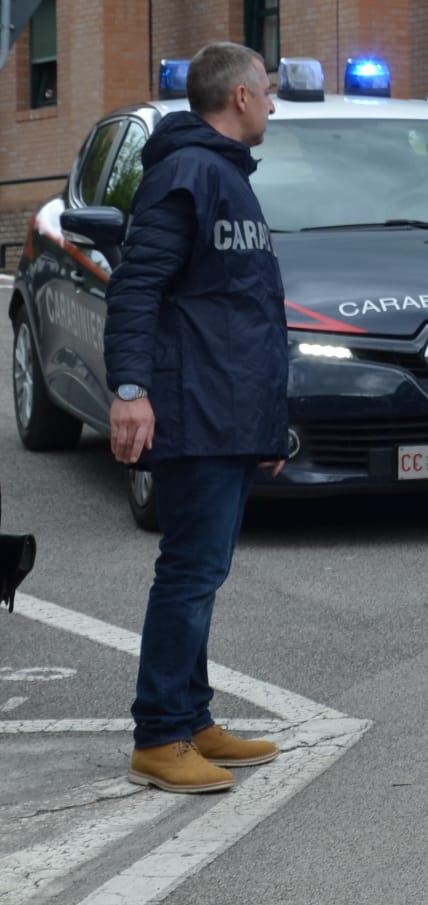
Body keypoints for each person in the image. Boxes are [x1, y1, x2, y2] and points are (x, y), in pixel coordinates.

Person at [105, 42, 288, 793]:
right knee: (189, 571)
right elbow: (136, 286)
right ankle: (159, 734)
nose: (272, 103)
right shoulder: (187, 173)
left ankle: (193, 717)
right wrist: (129, 389)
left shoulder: (225, 175)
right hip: (195, 406)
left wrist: (269, 421)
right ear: (239, 96)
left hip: (230, 408)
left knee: (203, 572)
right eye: (267, 90)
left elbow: (242, 310)